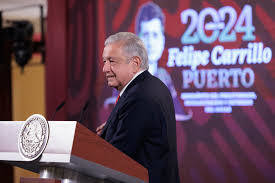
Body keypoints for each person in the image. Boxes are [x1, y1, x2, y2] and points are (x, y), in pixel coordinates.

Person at [97, 32, 180, 183]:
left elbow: (115, 157)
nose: (105, 68)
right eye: (104, 61)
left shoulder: (139, 96)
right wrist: (112, 129)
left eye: (111, 61)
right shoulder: (152, 85)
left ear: (135, 63)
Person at [136, 2, 192, 121]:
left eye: (155, 35)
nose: (150, 42)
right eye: (146, 35)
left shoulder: (163, 76)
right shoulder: (126, 78)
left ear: (163, 40)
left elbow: (179, 115)